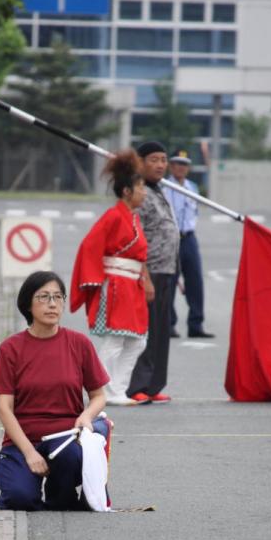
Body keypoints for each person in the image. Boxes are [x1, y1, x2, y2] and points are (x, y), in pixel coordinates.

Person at [0, 270, 110, 510]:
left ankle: (61, 490)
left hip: (66, 439)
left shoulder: (79, 343)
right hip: (23, 440)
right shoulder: (11, 348)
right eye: (43, 297)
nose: (52, 304)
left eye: (57, 297)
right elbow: (4, 409)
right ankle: (25, 480)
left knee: (63, 497)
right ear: (28, 304)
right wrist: (29, 453)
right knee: (19, 498)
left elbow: (99, 396)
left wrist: (86, 416)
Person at [70, 148, 152, 405]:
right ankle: (102, 390)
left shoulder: (132, 218)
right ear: (127, 191)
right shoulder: (113, 216)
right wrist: (96, 278)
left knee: (137, 342)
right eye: (140, 188)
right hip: (117, 285)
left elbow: (139, 256)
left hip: (132, 284)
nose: (144, 192)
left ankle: (117, 389)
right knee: (115, 340)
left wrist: (145, 280)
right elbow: (89, 246)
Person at [125, 140, 180, 404]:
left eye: (163, 160)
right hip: (150, 271)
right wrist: (144, 276)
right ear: (140, 163)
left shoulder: (159, 190)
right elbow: (137, 238)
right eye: (154, 160)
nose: (160, 165)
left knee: (161, 331)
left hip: (167, 270)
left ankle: (154, 384)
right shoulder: (140, 193)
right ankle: (137, 385)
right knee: (145, 331)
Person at [162, 149, 215, 340]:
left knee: (195, 281)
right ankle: (169, 324)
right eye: (177, 163)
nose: (181, 167)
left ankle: (196, 324)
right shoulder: (163, 187)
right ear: (171, 166)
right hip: (170, 238)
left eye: (184, 164)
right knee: (169, 281)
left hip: (189, 237)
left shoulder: (192, 187)